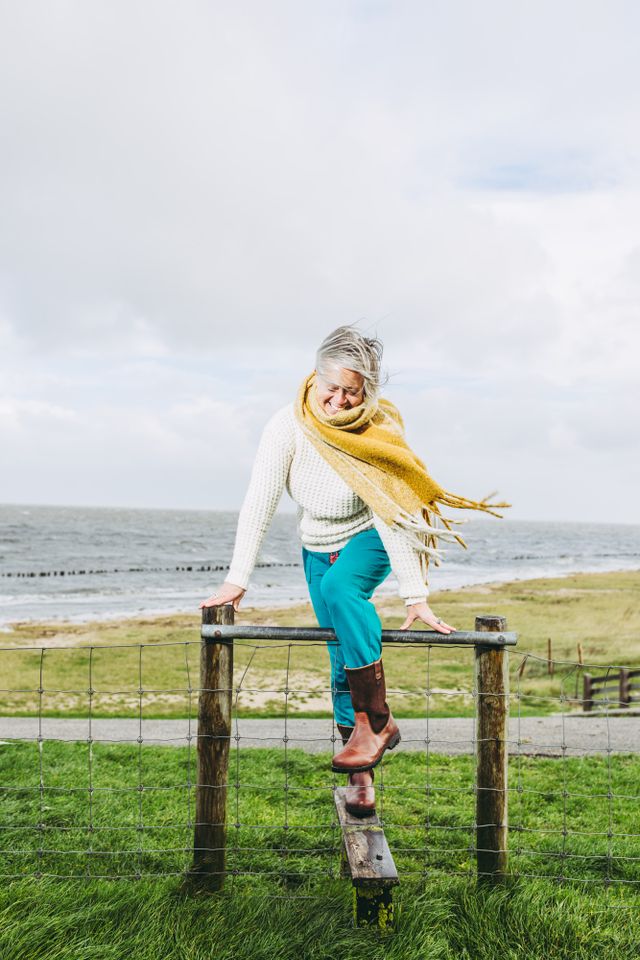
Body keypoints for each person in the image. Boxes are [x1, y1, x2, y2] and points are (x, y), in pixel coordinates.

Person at [200, 326, 507, 817]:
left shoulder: (377, 429)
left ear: (368, 391)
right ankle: (361, 771)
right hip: (316, 546)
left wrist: (414, 593)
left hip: (372, 536)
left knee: (343, 588)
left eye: (353, 391)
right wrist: (238, 578)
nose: (340, 401)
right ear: (315, 376)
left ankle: (378, 721)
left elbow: (394, 511)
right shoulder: (287, 425)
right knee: (340, 654)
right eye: (333, 388)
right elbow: (259, 501)